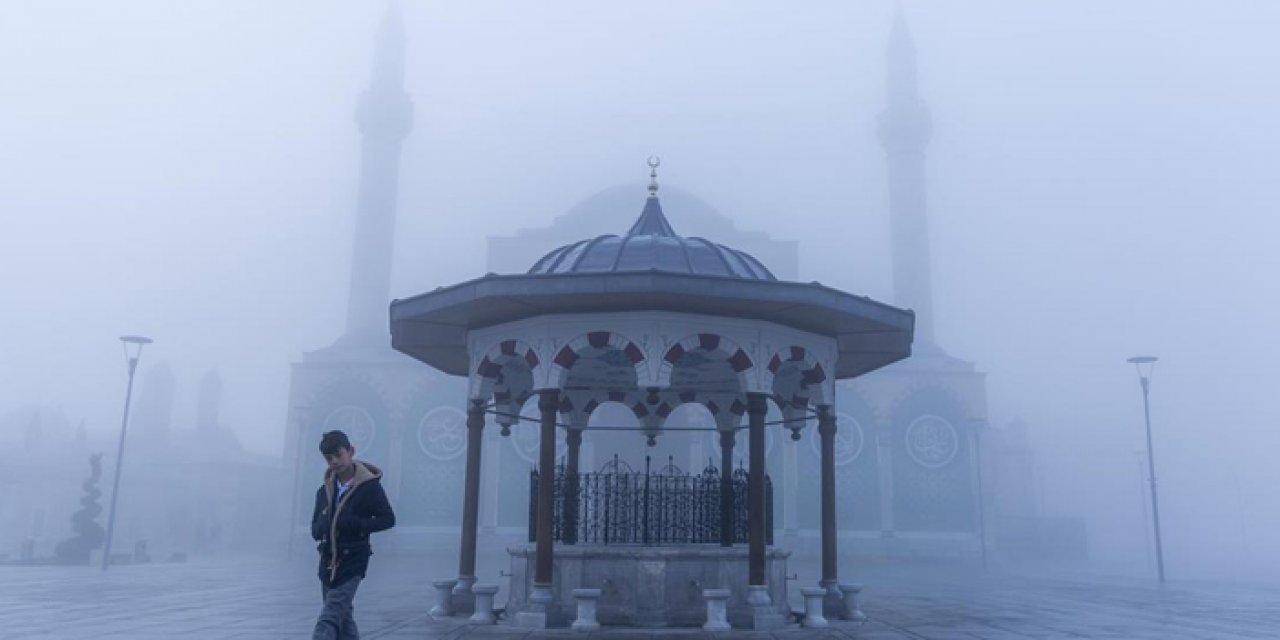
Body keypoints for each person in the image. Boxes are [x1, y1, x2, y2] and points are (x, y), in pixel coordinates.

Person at [311, 430, 395, 639]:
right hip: (327, 561)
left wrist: (355, 524)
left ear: (351, 451)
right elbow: (314, 529)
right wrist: (323, 525)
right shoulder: (324, 491)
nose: (334, 461)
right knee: (343, 617)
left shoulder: (369, 487)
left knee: (329, 616)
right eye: (329, 458)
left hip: (353, 560)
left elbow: (388, 519)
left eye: (338, 455)